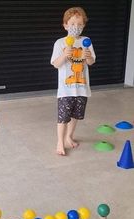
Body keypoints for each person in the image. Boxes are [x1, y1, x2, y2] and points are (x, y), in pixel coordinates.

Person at [51, 7, 96, 155]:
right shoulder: (60, 43)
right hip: (65, 89)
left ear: (84, 25)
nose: (76, 27)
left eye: (79, 24)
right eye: (72, 24)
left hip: (82, 87)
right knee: (63, 118)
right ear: (65, 25)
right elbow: (56, 64)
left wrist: (87, 55)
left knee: (76, 115)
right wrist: (64, 55)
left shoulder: (86, 42)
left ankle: (69, 137)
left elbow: (90, 62)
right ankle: (60, 142)